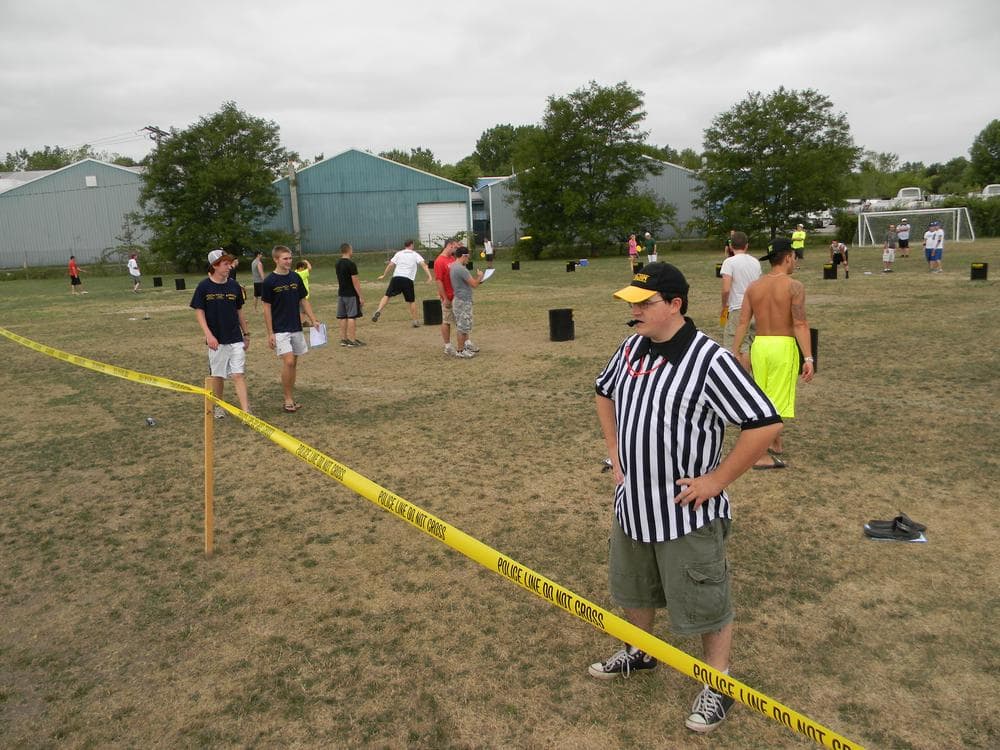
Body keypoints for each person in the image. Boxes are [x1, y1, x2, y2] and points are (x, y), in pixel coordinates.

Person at [589, 262, 782, 735]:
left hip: (685, 515)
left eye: (644, 303)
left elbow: (765, 423)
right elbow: (603, 392)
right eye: (631, 303)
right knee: (635, 587)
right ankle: (641, 651)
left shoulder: (708, 359)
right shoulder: (632, 348)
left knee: (706, 601)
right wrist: (614, 450)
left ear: (675, 305)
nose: (633, 311)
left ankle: (719, 683)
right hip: (632, 505)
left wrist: (716, 480)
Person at [732, 239, 814, 466]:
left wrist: (735, 350)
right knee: (774, 404)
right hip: (782, 347)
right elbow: (800, 324)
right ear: (788, 257)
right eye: (794, 257)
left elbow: (742, 322)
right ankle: (759, 455)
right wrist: (808, 357)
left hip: (760, 346)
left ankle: (774, 443)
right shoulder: (794, 286)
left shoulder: (753, 287)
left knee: (763, 396)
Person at [190, 249, 252, 418]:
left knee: (238, 374)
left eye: (229, 263)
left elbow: (239, 311)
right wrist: (209, 335)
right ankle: (218, 405)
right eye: (225, 264)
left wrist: (246, 334)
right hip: (216, 340)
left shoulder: (234, 286)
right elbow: (199, 312)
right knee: (218, 376)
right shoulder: (204, 286)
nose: (229, 266)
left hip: (235, 337)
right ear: (215, 266)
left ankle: (246, 411)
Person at [261, 245, 322, 413]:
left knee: (293, 364)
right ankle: (287, 399)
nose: (288, 261)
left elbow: (303, 300)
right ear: (276, 259)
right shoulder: (269, 282)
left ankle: (291, 397)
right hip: (280, 329)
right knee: (288, 361)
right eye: (285, 258)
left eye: (290, 258)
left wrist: (313, 319)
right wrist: (270, 333)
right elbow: (266, 308)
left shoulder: (295, 277)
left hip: (296, 327)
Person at [719, 231, 760, 372]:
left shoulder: (729, 262)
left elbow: (726, 289)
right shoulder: (755, 262)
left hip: (738, 308)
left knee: (736, 345)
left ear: (731, 246)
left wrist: (724, 306)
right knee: (748, 343)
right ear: (746, 246)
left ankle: (740, 379)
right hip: (756, 308)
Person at [371, 240, 433, 326]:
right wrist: (429, 276)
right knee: (411, 301)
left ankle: (378, 310)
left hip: (396, 278)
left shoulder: (399, 253)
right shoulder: (415, 254)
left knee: (387, 296)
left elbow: (390, 265)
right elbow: (423, 265)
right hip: (407, 279)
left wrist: (384, 275)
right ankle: (415, 321)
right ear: (411, 245)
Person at [449, 246, 485, 358]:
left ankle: (463, 348)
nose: (468, 259)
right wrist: (480, 277)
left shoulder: (454, 266)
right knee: (463, 327)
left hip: (459, 299)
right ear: (463, 256)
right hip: (463, 301)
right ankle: (460, 351)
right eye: (467, 257)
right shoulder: (461, 269)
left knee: (464, 326)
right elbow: (474, 284)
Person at [335, 243, 365, 347]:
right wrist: (360, 296)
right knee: (352, 316)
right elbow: (355, 281)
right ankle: (352, 340)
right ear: (349, 250)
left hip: (341, 293)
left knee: (343, 316)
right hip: (351, 294)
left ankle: (344, 339)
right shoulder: (351, 264)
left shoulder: (337, 263)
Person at [435, 238, 460, 355]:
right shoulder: (439, 261)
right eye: (455, 247)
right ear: (449, 245)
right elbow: (439, 281)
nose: (456, 249)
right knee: (446, 320)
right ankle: (448, 346)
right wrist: (445, 298)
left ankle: (466, 343)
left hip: (456, 295)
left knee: (460, 320)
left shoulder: (452, 258)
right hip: (448, 296)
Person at [296, 259, 314, 325]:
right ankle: (302, 322)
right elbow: (310, 268)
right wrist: (306, 261)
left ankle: (303, 321)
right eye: (304, 268)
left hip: (298, 295)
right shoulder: (301, 273)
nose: (305, 269)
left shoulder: (295, 272)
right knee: (303, 310)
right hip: (302, 295)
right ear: (300, 268)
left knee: (301, 310)